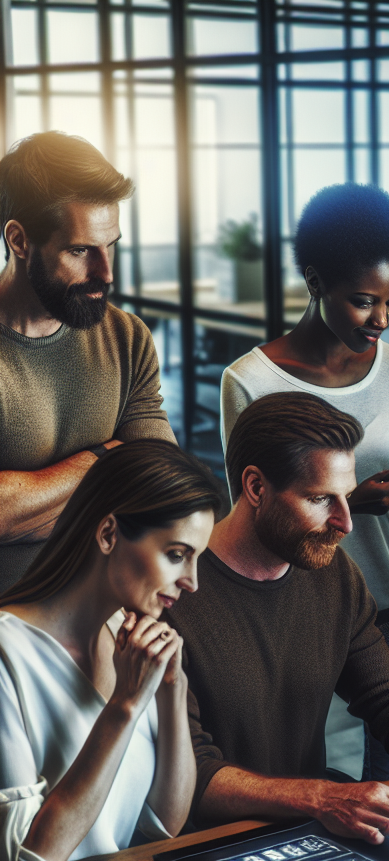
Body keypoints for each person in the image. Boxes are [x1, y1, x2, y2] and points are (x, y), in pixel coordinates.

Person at [165, 392, 389, 845]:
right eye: (320, 499)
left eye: (347, 497)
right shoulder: (172, 595)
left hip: (308, 831)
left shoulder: (334, 574)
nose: (346, 523)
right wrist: (323, 797)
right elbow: (193, 774)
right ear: (255, 488)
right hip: (206, 845)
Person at [0, 441, 219, 861]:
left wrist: (172, 688)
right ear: (107, 534)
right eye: (177, 554)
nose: (192, 582)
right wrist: (124, 705)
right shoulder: (8, 655)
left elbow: (164, 824)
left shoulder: (130, 642)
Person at [220, 183, 389, 613]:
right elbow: (251, 529)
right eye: (364, 302)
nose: (382, 319)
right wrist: (354, 504)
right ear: (315, 282)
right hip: (299, 614)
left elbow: (385, 523)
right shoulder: (249, 382)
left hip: (387, 600)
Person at [0, 132, 176, 595]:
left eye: (111, 245)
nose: (106, 273)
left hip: (107, 622)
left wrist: (27, 502)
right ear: (19, 240)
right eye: (79, 251)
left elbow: (159, 485)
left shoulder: (127, 337)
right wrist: (104, 458)